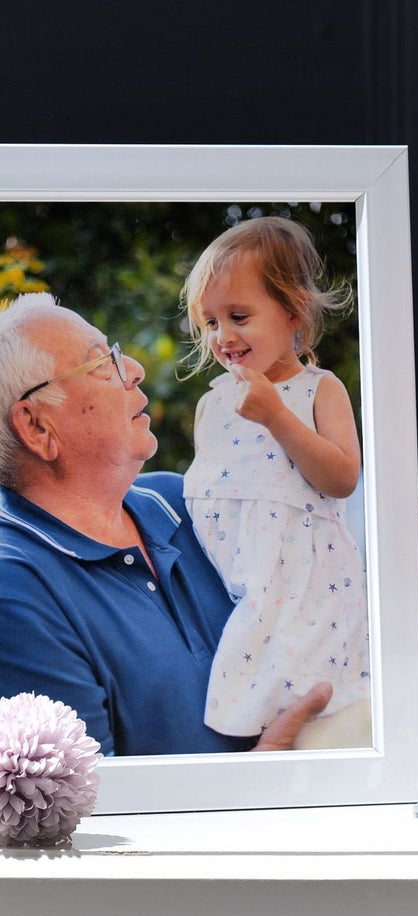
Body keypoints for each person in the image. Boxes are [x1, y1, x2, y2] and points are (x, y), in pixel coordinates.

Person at [0, 293, 331, 755]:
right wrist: (268, 766)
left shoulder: (184, 500)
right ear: (37, 427)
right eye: (100, 363)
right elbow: (96, 813)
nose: (132, 368)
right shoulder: (15, 588)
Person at [180, 217, 370, 748]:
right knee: (245, 695)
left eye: (239, 316)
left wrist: (277, 418)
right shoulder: (213, 403)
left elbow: (341, 478)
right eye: (211, 322)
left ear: (293, 313)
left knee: (309, 697)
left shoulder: (318, 389)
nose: (223, 336)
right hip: (237, 581)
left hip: (304, 583)